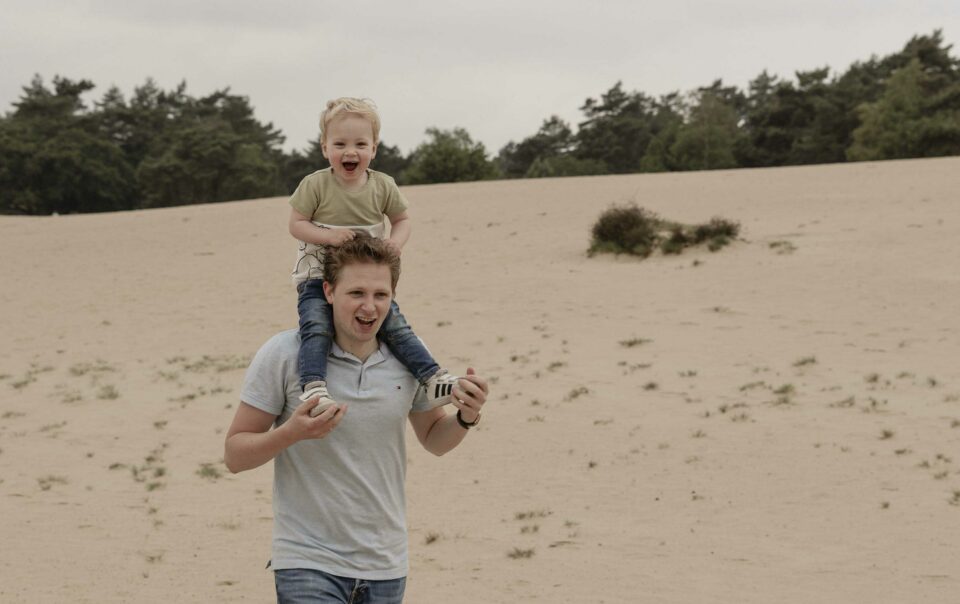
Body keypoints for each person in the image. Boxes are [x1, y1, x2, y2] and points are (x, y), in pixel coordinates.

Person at [224, 235, 489, 603]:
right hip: (306, 559)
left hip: (385, 565)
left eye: (381, 295)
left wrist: (466, 417)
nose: (369, 306)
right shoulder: (284, 354)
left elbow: (433, 438)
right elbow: (235, 455)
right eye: (357, 293)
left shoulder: (410, 358)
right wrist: (292, 433)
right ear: (329, 291)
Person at [288, 97, 457, 415]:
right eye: (339, 143)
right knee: (316, 325)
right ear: (325, 148)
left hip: (365, 279)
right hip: (316, 275)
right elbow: (296, 225)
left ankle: (432, 377)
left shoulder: (383, 186)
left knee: (396, 327)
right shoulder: (315, 185)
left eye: (360, 144)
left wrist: (396, 242)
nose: (350, 152)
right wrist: (329, 236)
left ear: (374, 149)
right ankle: (313, 387)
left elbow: (403, 221)